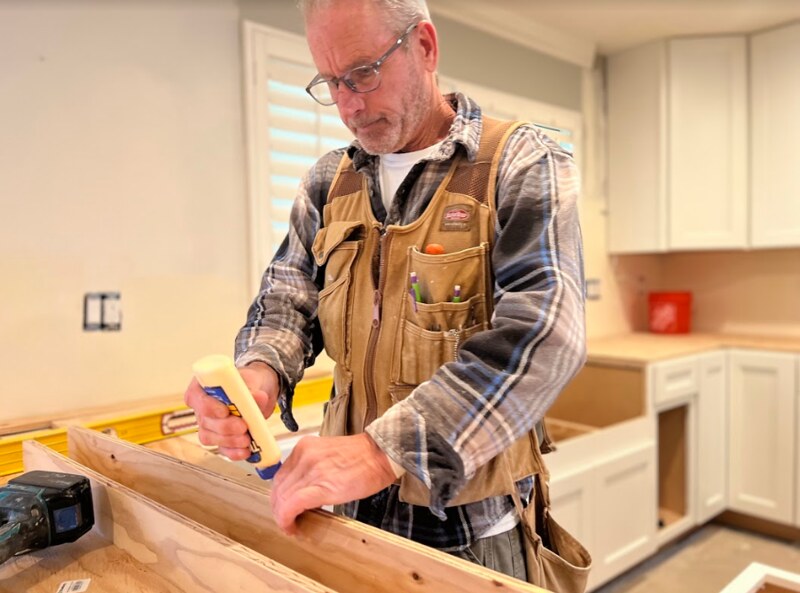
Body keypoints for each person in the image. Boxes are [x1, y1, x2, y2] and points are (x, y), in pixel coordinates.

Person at [184, 0, 586, 580]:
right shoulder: (328, 181)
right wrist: (257, 375)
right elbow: (287, 301)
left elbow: (546, 336)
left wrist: (381, 452)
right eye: (331, 82)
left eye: (363, 73)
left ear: (424, 46)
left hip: (471, 536)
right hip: (347, 517)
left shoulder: (519, 163)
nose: (348, 104)